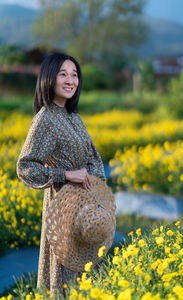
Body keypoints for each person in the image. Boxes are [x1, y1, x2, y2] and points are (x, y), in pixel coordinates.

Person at [16, 52, 106, 296]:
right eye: (63, 74)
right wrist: (65, 175)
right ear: (49, 79)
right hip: (64, 210)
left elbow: (93, 157)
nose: (70, 80)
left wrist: (94, 184)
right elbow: (26, 167)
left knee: (90, 277)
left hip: (87, 209)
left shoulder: (72, 116)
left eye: (74, 75)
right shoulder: (45, 119)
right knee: (67, 277)